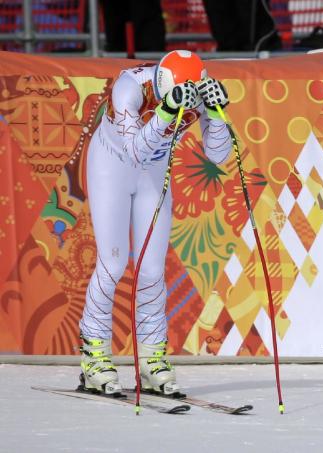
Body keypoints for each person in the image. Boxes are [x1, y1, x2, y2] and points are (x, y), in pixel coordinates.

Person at [78, 50, 232, 397]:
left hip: (152, 174)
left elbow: (219, 155)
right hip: (112, 166)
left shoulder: (198, 88)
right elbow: (135, 150)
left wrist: (218, 114)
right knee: (113, 263)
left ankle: (151, 361)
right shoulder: (129, 87)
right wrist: (165, 112)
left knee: (151, 271)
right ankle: (94, 356)